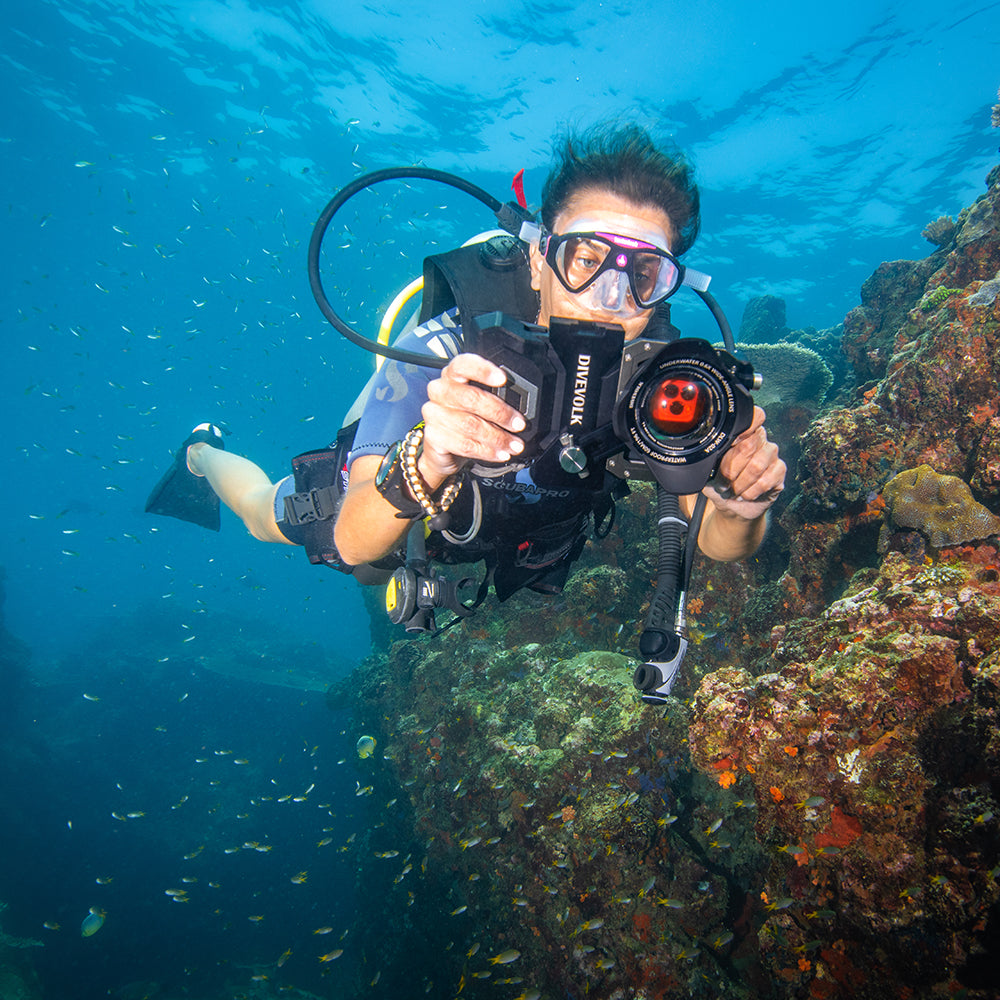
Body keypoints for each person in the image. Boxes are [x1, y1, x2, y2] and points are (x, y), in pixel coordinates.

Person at [146, 123, 786, 605]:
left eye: (644, 273)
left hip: (514, 534)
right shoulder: (447, 346)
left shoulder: (670, 386)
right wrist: (425, 458)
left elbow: (716, 541)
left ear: (668, 286)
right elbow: (351, 537)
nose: (610, 299)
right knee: (281, 524)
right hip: (406, 512)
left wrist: (740, 503)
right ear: (538, 258)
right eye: (586, 259)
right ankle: (200, 452)